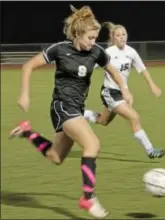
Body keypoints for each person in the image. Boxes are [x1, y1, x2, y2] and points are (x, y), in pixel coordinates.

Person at [9, 7, 132, 218]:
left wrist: (125, 89)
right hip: (61, 107)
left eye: (95, 38)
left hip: (77, 108)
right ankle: (88, 198)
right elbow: (28, 66)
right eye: (90, 37)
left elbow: (114, 72)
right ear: (77, 34)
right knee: (92, 144)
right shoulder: (60, 49)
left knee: (55, 157)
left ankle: (27, 132)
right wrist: (25, 94)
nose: (93, 42)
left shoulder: (96, 52)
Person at [84, 22, 165, 159]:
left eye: (124, 34)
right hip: (109, 92)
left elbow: (142, 69)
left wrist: (152, 85)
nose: (122, 37)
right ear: (113, 38)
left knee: (103, 121)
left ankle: (81, 113)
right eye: (118, 35)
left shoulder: (131, 52)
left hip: (121, 92)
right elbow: (91, 65)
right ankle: (150, 150)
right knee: (134, 117)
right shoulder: (108, 52)